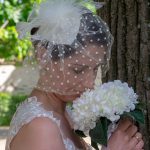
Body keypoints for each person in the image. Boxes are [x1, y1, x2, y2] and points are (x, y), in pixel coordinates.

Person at [5, 0, 144, 150]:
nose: (89, 83)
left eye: (95, 69)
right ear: (43, 57)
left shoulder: (65, 113)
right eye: (78, 70)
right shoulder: (40, 127)